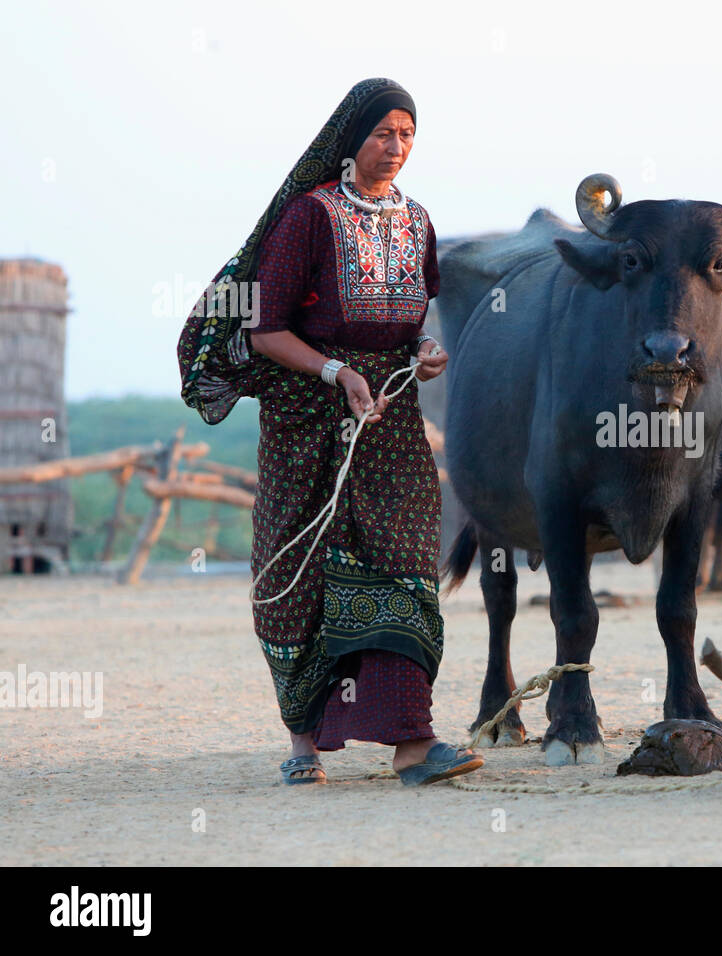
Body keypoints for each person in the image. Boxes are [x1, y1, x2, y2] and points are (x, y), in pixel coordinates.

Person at [176, 77, 483, 787]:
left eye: (407, 134)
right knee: (299, 567)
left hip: (388, 419)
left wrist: (426, 353)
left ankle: (413, 743)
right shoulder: (308, 219)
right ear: (352, 141)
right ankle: (303, 743)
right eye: (384, 133)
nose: (396, 147)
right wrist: (335, 373)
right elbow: (266, 328)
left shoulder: (418, 222)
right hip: (306, 417)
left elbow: (414, 324)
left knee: (404, 563)